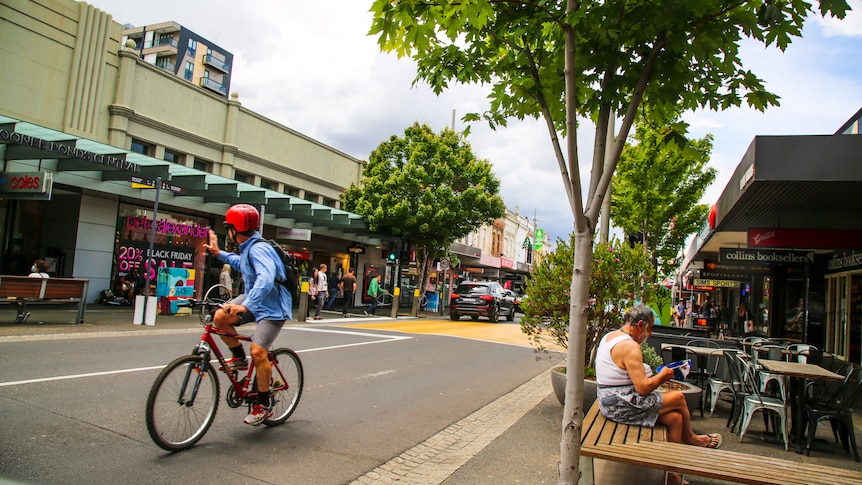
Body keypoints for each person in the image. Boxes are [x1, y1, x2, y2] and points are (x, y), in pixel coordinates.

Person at [595, 304, 721, 485]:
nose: (651, 333)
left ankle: (671, 475)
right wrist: (662, 376)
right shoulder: (629, 346)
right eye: (650, 328)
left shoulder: (611, 336)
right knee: (677, 397)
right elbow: (643, 388)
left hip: (611, 401)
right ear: (640, 325)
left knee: (675, 419)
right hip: (620, 404)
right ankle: (691, 438)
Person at [201, 204, 292, 426]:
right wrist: (218, 253)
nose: (228, 231)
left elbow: (266, 277)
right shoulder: (247, 246)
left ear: (235, 228)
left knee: (258, 352)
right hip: (254, 299)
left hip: (273, 308)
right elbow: (241, 264)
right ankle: (239, 359)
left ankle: (263, 404)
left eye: (229, 227)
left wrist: (246, 305)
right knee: (220, 317)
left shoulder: (258, 249)